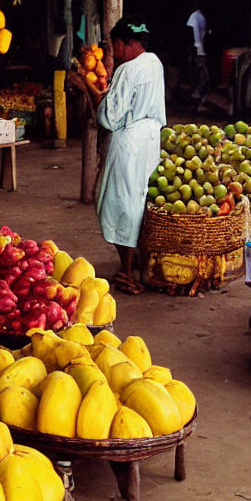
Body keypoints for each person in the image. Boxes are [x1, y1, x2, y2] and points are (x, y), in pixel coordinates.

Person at [71, 18, 166, 295]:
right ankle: (134, 258)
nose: (115, 53)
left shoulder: (127, 70)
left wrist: (85, 85)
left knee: (116, 203)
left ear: (127, 43)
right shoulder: (154, 62)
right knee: (136, 198)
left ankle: (126, 271)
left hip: (128, 142)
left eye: (116, 46)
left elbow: (109, 117)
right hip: (149, 140)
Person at [186, 0, 209, 101]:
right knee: (199, 74)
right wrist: (193, 47)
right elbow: (192, 32)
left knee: (200, 74)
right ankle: (196, 95)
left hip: (199, 50)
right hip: (198, 50)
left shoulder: (198, 17)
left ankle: (197, 95)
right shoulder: (196, 16)